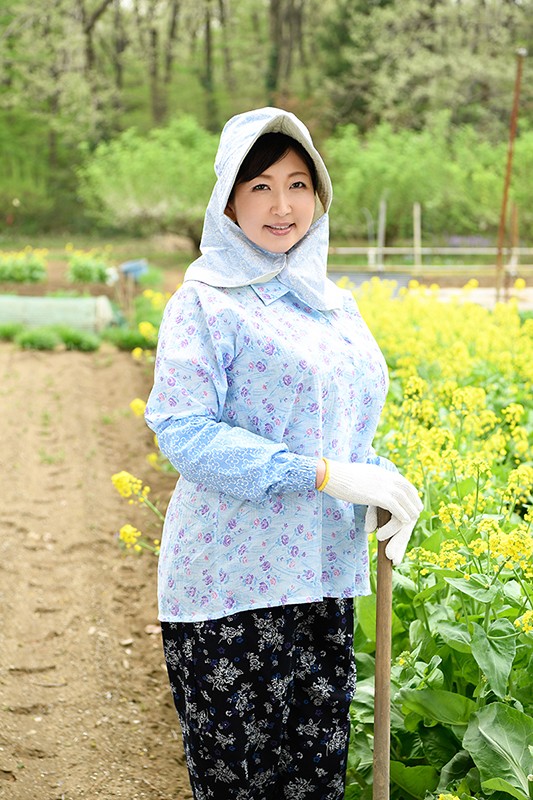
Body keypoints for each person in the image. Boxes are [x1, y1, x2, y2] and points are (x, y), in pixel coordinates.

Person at [144, 106, 422, 800]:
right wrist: (321, 474)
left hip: (322, 580)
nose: (282, 205)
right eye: (260, 186)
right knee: (243, 785)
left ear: (319, 196)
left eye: (298, 185)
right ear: (228, 201)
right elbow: (184, 430)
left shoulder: (335, 307)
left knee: (314, 781)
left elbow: (344, 430)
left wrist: (384, 485)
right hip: (230, 588)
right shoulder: (205, 303)